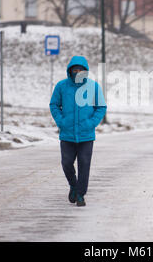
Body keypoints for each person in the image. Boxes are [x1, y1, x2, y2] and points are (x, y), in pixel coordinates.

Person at [49, 56, 107, 207]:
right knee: (66, 163)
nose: (78, 72)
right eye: (75, 69)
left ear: (85, 71)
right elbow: (54, 105)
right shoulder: (62, 86)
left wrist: (91, 123)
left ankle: (80, 194)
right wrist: (61, 121)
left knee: (84, 164)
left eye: (81, 69)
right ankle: (73, 185)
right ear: (70, 70)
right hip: (67, 134)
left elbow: (101, 107)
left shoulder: (93, 87)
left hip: (86, 135)